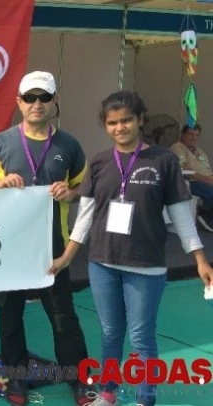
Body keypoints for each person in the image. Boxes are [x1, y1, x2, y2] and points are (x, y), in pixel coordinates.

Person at [49, 91, 213, 406]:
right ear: (105, 125)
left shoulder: (164, 160)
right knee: (110, 332)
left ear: (140, 119)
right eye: (112, 122)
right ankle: (108, 393)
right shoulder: (99, 162)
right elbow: (85, 216)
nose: (119, 127)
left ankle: (145, 399)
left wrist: (200, 259)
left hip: (146, 266)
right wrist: (67, 256)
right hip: (102, 263)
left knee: (141, 338)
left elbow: (181, 216)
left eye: (126, 120)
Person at [0, 71, 92, 406]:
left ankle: (78, 379)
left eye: (44, 97)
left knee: (63, 318)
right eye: (30, 98)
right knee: (9, 318)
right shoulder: (1, 142)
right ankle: (16, 378)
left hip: (52, 248)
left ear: (54, 102)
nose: (37, 103)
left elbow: (86, 189)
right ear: (19, 103)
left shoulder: (69, 145)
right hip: (7, 247)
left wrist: (70, 193)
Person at [168, 124, 213, 231]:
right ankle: (206, 218)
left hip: (205, 180)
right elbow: (187, 171)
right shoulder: (178, 147)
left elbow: (207, 170)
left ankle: (204, 212)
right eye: (190, 134)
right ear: (182, 134)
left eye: (196, 135)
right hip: (191, 182)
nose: (194, 138)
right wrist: (208, 180)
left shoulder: (199, 151)